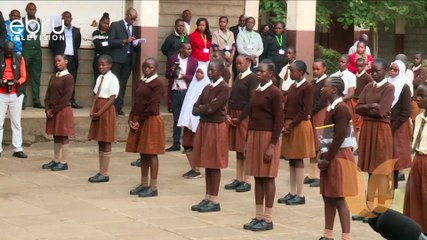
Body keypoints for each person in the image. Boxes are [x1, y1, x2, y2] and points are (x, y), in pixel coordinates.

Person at [243, 60, 283, 231]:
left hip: (267, 137)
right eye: (257, 71)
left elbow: (279, 120)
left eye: (261, 71)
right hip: (254, 135)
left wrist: (272, 145)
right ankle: (258, 216)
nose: (258, 73)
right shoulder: (256, 92)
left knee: (268, 177)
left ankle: (268, 218)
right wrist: (246, 141)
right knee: (257, 176)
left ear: (270, 74)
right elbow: (251, 117)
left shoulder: (275, 93)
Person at [353, 58, 395, 221]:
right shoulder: (369, 86)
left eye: (378, 71)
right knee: (370, 170)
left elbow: (382, 111)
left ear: (385, 70)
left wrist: (368, 107)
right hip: (368, 129)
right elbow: (358, 107)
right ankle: (369, 207)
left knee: (381, 170)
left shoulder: (389, 88)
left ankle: (381, 210)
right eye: (372, 71)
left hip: (381, 131)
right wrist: (372, 105)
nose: (374, 74)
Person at [317, 76, 358, 240]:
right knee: (328, 196)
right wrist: (321, 154)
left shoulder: (341, 108)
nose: (322, 89)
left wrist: (327, 159)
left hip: (338, 156)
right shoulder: (330, 108)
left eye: (324, 86)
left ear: (333, 89)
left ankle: (346, 236)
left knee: (339, 197)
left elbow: (339, 137)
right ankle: (328, 235)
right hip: (330, 154)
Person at [191, 60, 230, 213]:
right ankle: (207, 197)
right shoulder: (208, 87)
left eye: (213, 70)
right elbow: (196, 107)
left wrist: (202, 108)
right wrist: (202, 108)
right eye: (209, 70)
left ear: (220, 72)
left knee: (214, 164)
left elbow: (212, 108)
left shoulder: (224, 88)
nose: (209, 72)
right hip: (205, 126)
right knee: (207, 162)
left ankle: (214, 199)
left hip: (215, 127)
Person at [278, 60, 315, 205]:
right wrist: (283, 123)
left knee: (298, 159)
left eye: (292, 71)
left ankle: (300, 194)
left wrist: (290, 125)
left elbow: (305, 111)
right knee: (291, 158)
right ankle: (292, 191)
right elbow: (287, 107)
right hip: (289, 125)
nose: (290, 73)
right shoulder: (293, 86)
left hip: (299, 125)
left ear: (300, 72)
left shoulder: (308, 88)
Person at [126, 58, 165, 197]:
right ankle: (144, 184)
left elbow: (152, 105)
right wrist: (131, 118)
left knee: (152, 152)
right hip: (139, 119)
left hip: (151, 120)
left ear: (156, 68)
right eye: (145, 67)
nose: (147, 69)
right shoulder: (141, 82)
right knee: (142, 152)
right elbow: (136, 101)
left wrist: (139, 120)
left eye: (150, 67)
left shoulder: (158, 83)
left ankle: (153, 187)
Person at [225, 55, 258, 193]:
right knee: (238, 148)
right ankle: (239, 178)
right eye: (237, 64)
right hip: (234, 114)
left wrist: (241, 117)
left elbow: (251, 100)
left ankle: (247, 179)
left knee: (245, 148)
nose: (238, 66)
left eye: (241, 63)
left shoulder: (252, 78)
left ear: (248, 63)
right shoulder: (238, 77)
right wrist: (228, 113)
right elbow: (231, 96)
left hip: (244, 116)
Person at [87, 55, 119, 183]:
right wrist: (93, 109)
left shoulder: (112, 78)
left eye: (104, 64)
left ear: (109, 65)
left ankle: (105, 173)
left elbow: (112, 98)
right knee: (99, 140)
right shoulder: (100, 77)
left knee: (106, 140)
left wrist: (99, 112)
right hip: (98, 108)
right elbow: (96, 95)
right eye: (99, 64)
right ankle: (101, 170)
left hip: (105, 110)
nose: (101, 67)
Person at [177, 65, 210, 179]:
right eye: (197, 72)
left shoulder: (207, 87)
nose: (198, 75)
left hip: (198, 122)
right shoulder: (193, 85)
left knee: (195, 145)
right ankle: (193, 168)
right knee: (187, 144)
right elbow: (188, 103)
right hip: (189, 122)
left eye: (201, 73)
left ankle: (197, 169)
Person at [42, 54, 74, 171]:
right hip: (53, 110)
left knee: (64, 135)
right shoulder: (54, 76)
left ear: (66, 62)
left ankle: (64, 162)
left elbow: (66, 97)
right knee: (56, 135)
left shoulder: (68, 77)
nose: (57, 63)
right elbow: (48, 94)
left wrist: (53, 110)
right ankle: (56, 160)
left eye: (60, 61)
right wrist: (47, 108)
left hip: (62, 110)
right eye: (56, 61)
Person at [165, 43, 198, 152]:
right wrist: (172, 72)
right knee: (176, 118)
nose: (190, 51)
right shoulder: (172, 59)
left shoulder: (194, 61)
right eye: (188, 49)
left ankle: (189, 144)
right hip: (175, 91)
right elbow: (167, 74)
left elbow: (196, 77)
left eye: (190, 48)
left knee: (189, 117)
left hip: (187, 91)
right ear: (181, 49)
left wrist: (185, 77)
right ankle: (176, 143)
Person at [404, 81, 427, 235]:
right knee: (415, 198)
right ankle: (418, 231)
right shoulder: (419, 118)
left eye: (422, 96)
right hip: (418, 161)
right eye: (416, 95)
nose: (417, 99)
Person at [49, 11, 82, 109]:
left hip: (72, 58)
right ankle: (58, 101)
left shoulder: (76, 31)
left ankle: (71, 100)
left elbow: (78, 44)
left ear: (71, 18)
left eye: (68, 17)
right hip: (61, 59)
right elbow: (51, 44)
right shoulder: (56, 30)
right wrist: (59, 54)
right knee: (59, 80)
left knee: (72, 80)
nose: (66, 19)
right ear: (62, 19)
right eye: (64, 17)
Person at [109, 8, 138, 116]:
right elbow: (110, 41)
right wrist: (125, 41)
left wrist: (135, 43)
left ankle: (118, 107)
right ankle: (112, 107)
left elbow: (133, 42)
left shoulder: (133, 28)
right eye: (132, 18)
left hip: (128, 59)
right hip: (117, 59)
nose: (133, 20)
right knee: (115, 83)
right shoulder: (115, 25)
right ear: (127, 15)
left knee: (123, 84)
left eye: (135, 19)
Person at [0, 42, 27, 158]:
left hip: (16, 93)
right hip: (1, 93)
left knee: (16, 123)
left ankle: (17, 149)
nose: (9, 56)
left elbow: (24, 76)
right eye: (7, 53)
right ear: (4, 50)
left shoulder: (19, 57)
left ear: (14, 51)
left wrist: (17, 82)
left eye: (11, 53)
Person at [388, 60, 412, 188]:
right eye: (391, 68)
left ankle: (395, 187)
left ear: (401, 71)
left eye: (395, 69)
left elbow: (406, 111)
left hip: (398, 126)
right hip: (385, 124)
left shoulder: (404, 86)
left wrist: (394, 126)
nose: (392, 71)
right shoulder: (386, 84)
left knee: (395, 157)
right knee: (385, 156)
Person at [306, 59, 328, 188]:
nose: (315, 71)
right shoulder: (313, 82)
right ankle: (312, 174)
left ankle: (321, 175)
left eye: (317, 69)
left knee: (320, 144)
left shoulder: (327, 82)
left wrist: (311, 112)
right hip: (312, 113)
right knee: (313, 144)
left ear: (324, 69)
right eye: (313, 69)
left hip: (320, 114)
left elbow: (323, 101)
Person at [161, 19, 190, 113]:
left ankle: (182, 103)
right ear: (175, 27)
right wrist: (171, 56)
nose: (181, 28)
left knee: (183, 82)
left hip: (184, 62)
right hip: (174, 63)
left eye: (182, 26)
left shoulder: (187, 37)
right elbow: (164, 49)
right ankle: (171, 105)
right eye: (178, 26)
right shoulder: (170, 38)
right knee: (172, 83)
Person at [22, 3, 43, 109]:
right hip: (26, 50)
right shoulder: (22, 21)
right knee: (23, 76)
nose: (31, 11)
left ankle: (36, 100)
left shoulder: (39, 21)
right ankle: (22, 101)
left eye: (33, 9)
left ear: (36, 10)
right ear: (26, 10)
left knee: (36, 76)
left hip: (37, 51)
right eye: (29, 9)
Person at [353, 58, 373, 145]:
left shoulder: (367, 77)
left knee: (359, 125)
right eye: (357, 66)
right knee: (355, 124)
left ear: (365, 66)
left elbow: (372, 87)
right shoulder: (355, 75)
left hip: (361, 102)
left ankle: (359, 145)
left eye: (361, 66)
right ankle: (357, 144)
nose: (359, 68)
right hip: (353, 100)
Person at [331, 55, 356, 121]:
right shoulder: (333, 75)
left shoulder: (351, 76)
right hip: (333, 102)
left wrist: (340, 100)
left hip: (345, 101)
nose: (340, 63)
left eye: (342, 62)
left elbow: (351, 93)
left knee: (345, 121)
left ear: (348, 63)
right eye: (339, 62)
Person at [212, 16, 236, 82]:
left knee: (229, 76)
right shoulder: (216, 33)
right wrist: (225, 57)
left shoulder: (231, 33)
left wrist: (231, 57)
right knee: (220, 76)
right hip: (221, 58)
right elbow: (215, 48)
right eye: (220, 22)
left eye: (224, 22)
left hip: (229, 58)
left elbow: (234, 46)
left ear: (227, 23)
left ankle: (228, 90)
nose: (222, 23)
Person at [92, 13, 111, 85]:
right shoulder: (96, 33)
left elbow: (112, 43)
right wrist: (107, 43)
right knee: (98, 80)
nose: (106, 25)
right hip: (98, 60)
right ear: (100, 22)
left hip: (108, 60)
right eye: (104, 23)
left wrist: (104, 43)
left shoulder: (110, 33)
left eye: (108, 23)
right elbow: (97, 45)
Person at [411, 53, 427, 120]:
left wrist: (409, 80)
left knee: (415, 119)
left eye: (417, 59)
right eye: (414, 58)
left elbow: (417, 82)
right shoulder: (410, 69)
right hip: (409, 98)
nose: (415, 60)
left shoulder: (423, 70)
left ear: (421, 60)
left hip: (415, 98)